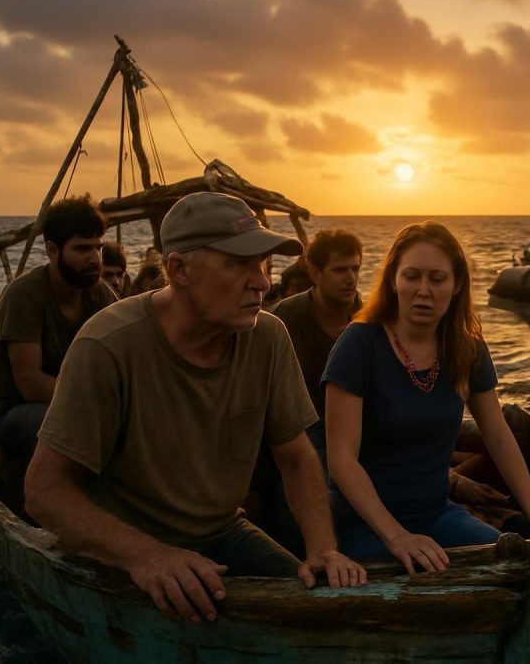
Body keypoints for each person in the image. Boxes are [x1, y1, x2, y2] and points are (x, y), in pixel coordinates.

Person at [24, 192, 364, 624]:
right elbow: (43, 491)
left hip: (223, 532)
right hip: (123, 545)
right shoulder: (108, 346)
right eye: (239, 264)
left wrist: (322, 548)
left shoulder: (267, 337)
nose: (260, 282)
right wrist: (147, 556)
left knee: (328, 620)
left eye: (262, 264)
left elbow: (295, 456)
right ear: (179, 270)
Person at [323, 221, 530, 573]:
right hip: (365, 525)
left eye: (437, 279)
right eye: (412, 276)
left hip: (436, 515)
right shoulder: (359, 344)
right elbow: (341, 459)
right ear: (393, 280)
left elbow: (497, 433)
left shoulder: (466, 347)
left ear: (457, 284)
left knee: (521, 570)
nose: (423, 290)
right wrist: (398, 537)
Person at [251, 229, 364, 554]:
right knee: (296, 481)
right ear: (315, 272)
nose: (350, 279)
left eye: (355, 269)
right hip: (296, 426)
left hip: (355, 426)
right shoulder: (285, 319)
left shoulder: (367, 321)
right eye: (340, 270)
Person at [0, 195, 117, 487]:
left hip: (76, 403)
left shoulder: (100, 295)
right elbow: (30, 383)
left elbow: (126, 357)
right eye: (82, 249)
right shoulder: (24, 296)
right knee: (77, 429)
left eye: (98, 248)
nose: (94, 259)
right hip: (14, 411)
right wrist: (95, 404)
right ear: (52, 250)